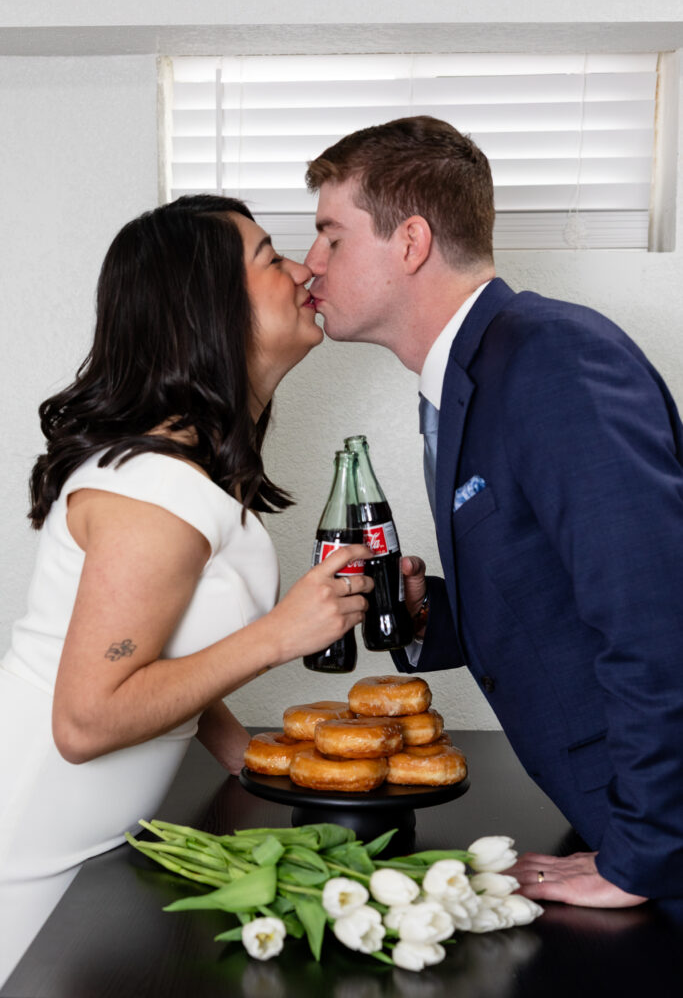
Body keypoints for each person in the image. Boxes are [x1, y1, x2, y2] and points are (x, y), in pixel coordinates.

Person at [303, 116, 683, 914]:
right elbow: (555, 583)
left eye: (330, 237)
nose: (311, 264)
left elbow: (655, 612)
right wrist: (422, 614)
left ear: (408, 241)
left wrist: (642, 857)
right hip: (607, 821)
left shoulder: (552, 358)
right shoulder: (470, 376)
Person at [0, 194, 373, 985]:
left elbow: (165, 646)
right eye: (271, 257)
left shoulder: (179, 476)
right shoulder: (156, 493)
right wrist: (279, 633)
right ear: (206, 309)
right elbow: (87, 719)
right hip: (25, 861)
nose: (305, 268)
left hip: (77, 853)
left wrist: (248, 756)